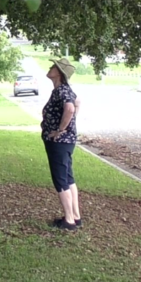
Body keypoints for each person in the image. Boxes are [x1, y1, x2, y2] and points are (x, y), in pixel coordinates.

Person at [41, 58, 82, 231]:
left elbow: (71, 108)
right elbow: (77, 103)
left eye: (53, 67)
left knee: (60, 180)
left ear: (59, 73)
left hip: (58, 142)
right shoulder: (63, 90)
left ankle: (69, 221)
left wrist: (60, 130)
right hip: (65, 142)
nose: (50, 69)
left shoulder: (62, 91)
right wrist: (69, 126)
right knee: (68, 177)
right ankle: (75, 216)